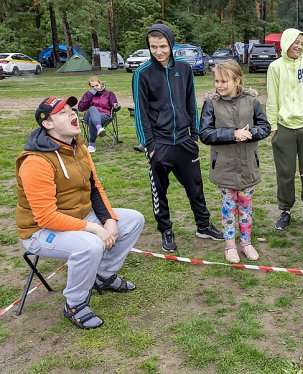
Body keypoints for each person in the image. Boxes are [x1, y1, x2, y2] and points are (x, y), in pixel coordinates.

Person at [16, 96, 145, 329]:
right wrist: (95, 228)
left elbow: (95, 187)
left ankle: (103, 275)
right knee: (90, 244)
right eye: (63, 113)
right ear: (48, 124)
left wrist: (109, 220)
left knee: (133, 219)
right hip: (40, 231)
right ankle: (74, 304)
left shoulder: (78, 146)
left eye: (71, 109)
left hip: (80, 217)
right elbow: (45, 216)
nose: (72, 114)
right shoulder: (35, 161)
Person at [132, 23, 223, 252]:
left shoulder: (184, 69)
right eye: (153, 47)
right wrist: (149, 145)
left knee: (195, 187)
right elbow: (141, 113)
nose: (159, 51)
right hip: (159, 144)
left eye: (163, 46)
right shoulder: (141, 74)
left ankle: (203, 225)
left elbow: (190, 103)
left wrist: (194, 135)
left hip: (184, 141)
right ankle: (166, 230)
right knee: (160, 192)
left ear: (171, 45)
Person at [200, 60, 271, 263]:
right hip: (224, 167)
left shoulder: (251, 101)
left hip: (248, 165)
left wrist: (249, 133)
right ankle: (230, 245)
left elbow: (264, 127)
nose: (219, 85)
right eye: (216, 81)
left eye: (224, 81)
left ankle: (246, 243)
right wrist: (232, 134)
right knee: (228, 207)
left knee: (246, 207)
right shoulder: (211, 103)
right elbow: (204, 134)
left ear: (237, 80)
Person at [266, 28, 303, 232]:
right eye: (295, 42)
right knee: (285, 172)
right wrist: (273, 126)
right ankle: (285, 210)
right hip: (284, 128)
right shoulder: (275, 67)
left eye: (302, 43)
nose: (299, 46)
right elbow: (272, 98)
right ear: (286, 43)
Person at [77, 76, 119, 153]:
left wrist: (116, 106)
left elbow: (115, 104)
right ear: (90, 87)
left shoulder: (109, 93)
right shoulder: (88, 94)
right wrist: (90, 94)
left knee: (92, 120)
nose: (95, 87)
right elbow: (80, 108)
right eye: (93, 86)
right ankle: (99, 128)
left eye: (97, 85)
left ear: (100, 84)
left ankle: (91, 145)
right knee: (92, 108)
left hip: (104, 115)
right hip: (88, 115)